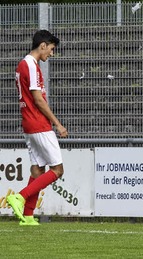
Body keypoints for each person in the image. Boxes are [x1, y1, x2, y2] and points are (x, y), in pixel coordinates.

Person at [6, 30, 64, 226]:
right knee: (57, 170)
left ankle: (28, 215)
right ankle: (20, 197)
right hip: (38, 123)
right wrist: (57, 123)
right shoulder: (30, 65)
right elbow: (38, 99)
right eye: (52, 49)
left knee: (38, 169)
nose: (52, 54)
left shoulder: (25, 64)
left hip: (28, 123)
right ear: (43, 45)